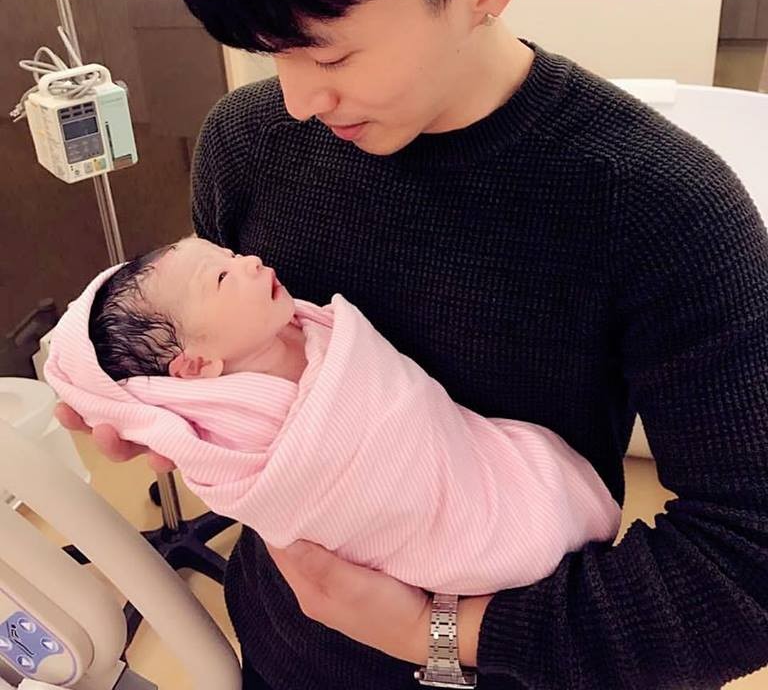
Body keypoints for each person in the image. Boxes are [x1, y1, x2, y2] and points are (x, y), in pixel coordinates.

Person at [57, 0, 768, 687]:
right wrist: (160, 410)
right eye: (271, 52)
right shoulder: (247, 144)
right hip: (282, 656)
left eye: (331, 52)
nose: (297, 101)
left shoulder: (661, 207)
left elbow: (746, 569)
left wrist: (434, 634)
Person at [46, 236, 620, 595]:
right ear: (196, 366)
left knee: (531, 476)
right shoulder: (234, 434)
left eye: (229, 255)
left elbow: (406, 403)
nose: (249, 260)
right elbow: (287, 482)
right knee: (509, 532)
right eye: (221, 277)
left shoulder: (309, 329)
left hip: (469, 458)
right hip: (417, 531)